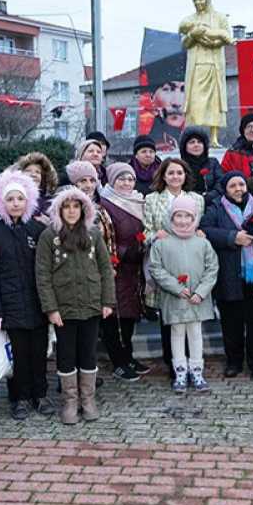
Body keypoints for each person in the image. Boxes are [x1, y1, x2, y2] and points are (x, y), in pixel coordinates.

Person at [35, 187, 116, 425]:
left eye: (76, 206)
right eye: (66, 207)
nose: (71, 211)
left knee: (88, 353)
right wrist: (51, 308)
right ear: (59, 210)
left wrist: (107, 301)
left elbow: (105, 268)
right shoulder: (49, 236)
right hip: (64, 307)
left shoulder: (93, 234)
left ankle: (88, 399)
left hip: (91, 305)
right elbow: (43, 275)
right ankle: (70, 401)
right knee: (67, 354)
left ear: (83, 209)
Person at [0, 170, 56, 420]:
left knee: (39, 352)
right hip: (10, 304)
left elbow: (47, 268)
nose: (15, 204)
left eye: (20, 199)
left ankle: (40, 394)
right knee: (18, 355)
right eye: (10, 199)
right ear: (2, 201)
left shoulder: (37, 229)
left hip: (37, 303)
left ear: (28, 201)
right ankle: (19, 397)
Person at [201, 171, 253, 382]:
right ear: (225, 189)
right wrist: (232, 237)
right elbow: (205, 230)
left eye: (241, 184)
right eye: (233, 185)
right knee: (231, 322)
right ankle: (234, 361)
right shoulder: (216, 208)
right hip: (229, 275)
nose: (238, 189)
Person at [149, 196, 219, 392]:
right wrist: (177, 288)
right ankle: (180, 372)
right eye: (178, 215)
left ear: (194, 218)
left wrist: (202, 291)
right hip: (174, 297)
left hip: (198, 298)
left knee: (195, 333)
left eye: (187, 216)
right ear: (171, 217)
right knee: (177, 333)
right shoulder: (162, 243)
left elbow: (212, 268)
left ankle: (197, 371)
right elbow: (156, 268)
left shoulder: (202, 242)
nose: (182, 220)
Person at [142, 158, 205, 375]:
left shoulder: (196, 199)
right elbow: (145, 231)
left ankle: (193, 363)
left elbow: (200, 227)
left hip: (191, 263)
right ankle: (174, 364)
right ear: (163, 175)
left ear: (185, 175)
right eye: (171, 173)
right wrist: (153, 236)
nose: (175, 177)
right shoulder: (151, 199)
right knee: (169, 315)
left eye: (179, 173)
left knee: (191, 313)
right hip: (165, 263)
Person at [99, 163, 150, 382]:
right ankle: (118, 362)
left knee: (129, 317)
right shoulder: (105, 203)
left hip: (134, 269)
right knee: (115, 318)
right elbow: (105, 236)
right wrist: (125, 251)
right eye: (121, 179)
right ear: (111, 180)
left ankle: (128, 357)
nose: (127, 183)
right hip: (116, 267)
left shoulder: (139, 200)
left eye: (130, 179)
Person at [179, 0, 233, 147]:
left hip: (214, 66)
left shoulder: (219, 18)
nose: (198, 3)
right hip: (196, 67)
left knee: (214, 103)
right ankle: (193, 136)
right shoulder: (190, 20)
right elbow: (185, 43)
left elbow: (226, 37)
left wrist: (212, 41)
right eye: (195, 0)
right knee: (195, 104)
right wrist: (192, 35)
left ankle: (214, 138)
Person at [179, 126, 224, 203]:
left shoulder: (213, 163)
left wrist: (209, 196)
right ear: (184, 146)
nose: (196, 145)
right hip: (186, 203)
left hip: (212, 202)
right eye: (192, 142)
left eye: (199, 142)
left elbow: (221, 183)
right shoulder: (179, 165)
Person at [14, 151, 59, 219]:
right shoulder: (8, 198)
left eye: (38, 172)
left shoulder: (49, 203)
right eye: (28, 171)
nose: (33, 175)